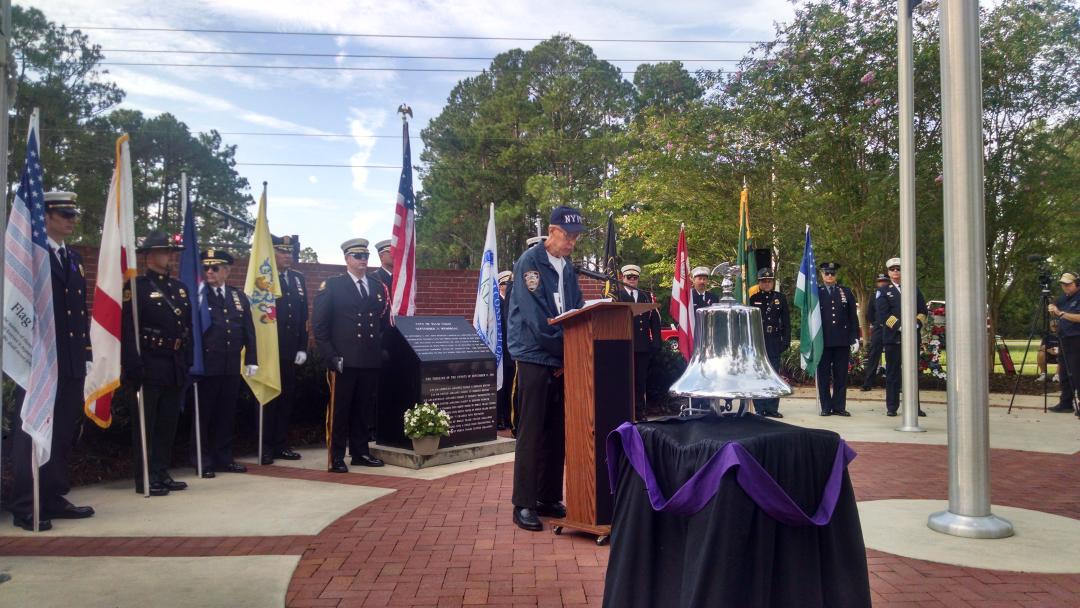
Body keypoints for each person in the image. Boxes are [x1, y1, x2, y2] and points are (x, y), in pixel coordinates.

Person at [9, 192, 95, 531]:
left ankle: (53, 495)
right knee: (31, 432)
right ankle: (25, 504)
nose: (71, 219)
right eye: (64, 213)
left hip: (70, 359)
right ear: (44, 216)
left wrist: (85, 354)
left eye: (73, 213)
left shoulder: (71, 258)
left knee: (60, 432)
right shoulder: (30, 255)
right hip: (39, 359)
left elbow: (78, 311)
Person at [507, 206, 586, 531]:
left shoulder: (567, 268)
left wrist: (579, 342)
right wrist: (568, 348)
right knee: (532, 431)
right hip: (534, 356)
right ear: (552, 231)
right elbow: (536, 320)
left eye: (576, 237)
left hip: (561, 357)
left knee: (557, 430)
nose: (571, 243)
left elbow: (577, 308)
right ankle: (523, 503)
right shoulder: (530, 263)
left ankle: (548, 497)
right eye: (568, 236)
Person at [121, 230, 193, 497]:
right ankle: (145, 477)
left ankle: (162, 471)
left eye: (171, 252)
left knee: (167, 423)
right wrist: (132, 364)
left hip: (173, 363)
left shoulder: (179, 289)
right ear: (150, 256)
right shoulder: (136, 287)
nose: (169, 256)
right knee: (146, 425)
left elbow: (188, 327)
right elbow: (127, 329)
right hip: (148, 363)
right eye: (165, 252)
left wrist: (188, 362)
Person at [312, 238, 389, 472]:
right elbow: (320, 327)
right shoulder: (333, 286)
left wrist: (379, 351)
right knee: (340, 411)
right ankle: (336, 457)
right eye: (357, 256)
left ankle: (360, 453)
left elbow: (381, 323)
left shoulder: (376, 287)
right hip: (343, 360)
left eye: (365, 256)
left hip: (368, 360)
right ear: (347, 259)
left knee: (363, 409)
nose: (362, 261)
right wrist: (331, 356)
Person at [196, 249, 258, 477]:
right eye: (206, 268)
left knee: (226, 415)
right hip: (207, 366)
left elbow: (248, 330)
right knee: (204, 416)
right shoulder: (199, 296)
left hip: (231, 365)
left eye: (215, 268)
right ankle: (203, 460)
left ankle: (224, 457)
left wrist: (252, 359)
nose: (209, 272)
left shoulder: (237, 296)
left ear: (227, 271)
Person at [261, 236, 309, 464]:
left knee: (286, 399)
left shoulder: (298, 279)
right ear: (273, 254)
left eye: (290, 253)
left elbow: (303, 317)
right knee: (269, 399)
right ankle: (266, 446)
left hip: (291, 350)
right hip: (270, 349)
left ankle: (281, 444)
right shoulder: (264, 279)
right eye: (282, 252)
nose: (287, 256)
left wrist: (302, 346)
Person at [875, 257, 928, 417]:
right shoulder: (883, 291)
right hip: (893, 338)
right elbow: (884, 314)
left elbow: (923, 310)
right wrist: (901, 326)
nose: (896, 272)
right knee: (892, 373)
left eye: (898, 269)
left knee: (912, 373)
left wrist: (916, 324)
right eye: (893, 269)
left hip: (912, 337)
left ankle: (914, 407)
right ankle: (892, 406)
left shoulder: (913, 288)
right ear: (889, 272)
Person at [615, 264, 661, 420]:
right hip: (624, 344)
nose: (632, 280)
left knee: (641, 381)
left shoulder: (645, 295)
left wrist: (656, 341)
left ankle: (639, 412)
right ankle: (625, 412)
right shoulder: (617, 296)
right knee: (625, 379)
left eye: (635, 278)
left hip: (642, 345)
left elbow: (655, 320)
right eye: (629, 277)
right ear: (623, 278)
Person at [816, 262, 859, 416]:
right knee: (824, 375)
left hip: (842, 340)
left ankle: (839, 406)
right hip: (823, 341)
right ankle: (826, 406)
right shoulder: (816, 292)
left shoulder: (845, 292)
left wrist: (855, 338)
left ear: (836, 275)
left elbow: (852, 317)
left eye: (832, 273)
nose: (829, 276)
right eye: (826, 273)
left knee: (841, 375)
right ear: (821, 274)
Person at [748, 268, 791, 418]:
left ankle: (772, 408)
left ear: (772, 282)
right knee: (758, 374)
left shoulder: (780, 298)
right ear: (759, 282)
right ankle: (760, 408)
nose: (767, 283)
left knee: (773, 374)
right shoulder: (752, 298)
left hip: (774, 340)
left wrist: (786, 340)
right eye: (763, 281)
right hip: (758, 340)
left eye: (769, 281)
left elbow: (786, 321)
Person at [1048, 272, 1080, 415]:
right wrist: (1053, 312)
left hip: (1077, 339)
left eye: (1068, 284)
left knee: (1077, 372)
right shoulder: (1063, 298)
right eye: (1063, 284)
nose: (1065, 287)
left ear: (1077, 284)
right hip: (1064, 338)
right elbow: (1055, 311)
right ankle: (1066, 403)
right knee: (1064, 373)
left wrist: (1060, 313)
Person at [861, 273, 890, 391]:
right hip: (879, 328)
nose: (882, 283)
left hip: (892, 329)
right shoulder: (874, 296)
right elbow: (870, 313)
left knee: (893, 356)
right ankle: (868, 383)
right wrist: (877, 323)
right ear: (877, 283)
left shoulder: (894, 294)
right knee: (874, 356)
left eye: (884, 281)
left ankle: (895, 384)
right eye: (880, 281)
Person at [496, 270, 514, 430]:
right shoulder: (497, 304)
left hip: (511, 352)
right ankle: (499, 418)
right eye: (506, 284)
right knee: (500, 387)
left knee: (510, 387)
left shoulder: (511, 302)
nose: (509, 287)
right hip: (501, 352)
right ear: (501, 286)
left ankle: (509, 418)